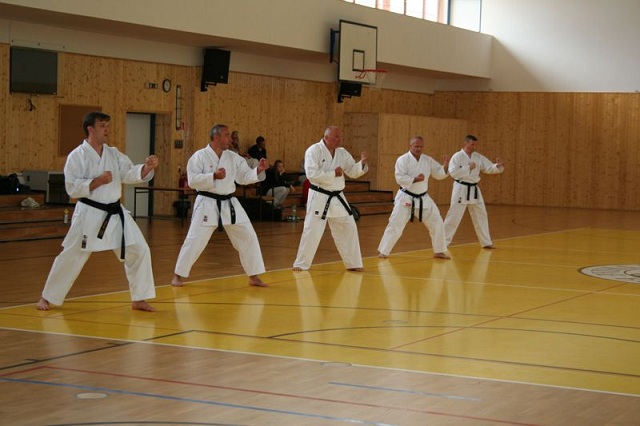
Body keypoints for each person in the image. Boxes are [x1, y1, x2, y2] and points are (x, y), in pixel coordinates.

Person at [36, 112, 157, 312]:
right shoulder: (77, 156)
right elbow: (72, 188)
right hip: (89, 214)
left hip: (115, 213)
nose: (107, 129)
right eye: (102, 125)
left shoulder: (113, 153)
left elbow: (129, 173)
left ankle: (139, 298)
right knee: (72, 256)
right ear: (90, 129)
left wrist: (146, 168)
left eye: (108, 125)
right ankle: (47, 297)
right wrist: (97, 181)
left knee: (139, 250)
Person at [172, 123, 270, 288]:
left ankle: (254, 276)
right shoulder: (199, 156)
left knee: (248, 236)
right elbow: (192, 181)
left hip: (229, 203)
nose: (230, 139)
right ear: (216, 137)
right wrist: (213, 176)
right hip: (207, 203)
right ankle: (178, 275)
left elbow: (244, 177)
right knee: (195, 240)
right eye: (227, 135)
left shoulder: (233, 157)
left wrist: (258, 170)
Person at [292, 126, 368, 271]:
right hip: (319, 196)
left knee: (349, 227)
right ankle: (301, 264)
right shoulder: (314, 151)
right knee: (312, 231)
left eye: (340, 137)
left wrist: (362, 163)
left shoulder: (342, 152)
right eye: (335, 137)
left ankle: (353, 264)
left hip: (337, 196)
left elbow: (352, 171)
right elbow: (311, 174)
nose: (339, 140)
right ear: (326, 137)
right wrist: (333, 173)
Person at [378, 136, 451, 259]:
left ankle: (439, 251)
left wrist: (445, 166)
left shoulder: (427, 160)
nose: (419, 149)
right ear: (410, 146)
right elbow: (399, 178)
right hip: (405, 198)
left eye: (421, 146)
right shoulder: (402, 160)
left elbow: (438, 173)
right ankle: (383, 252)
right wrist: (415, 179)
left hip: (423, 198)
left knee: (437, 222)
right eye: (416, 146)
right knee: (395, 224)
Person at [443, 134, 504, 249]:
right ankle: (443, 243)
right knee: (454, 216)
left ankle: (486, 242)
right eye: (472, 144)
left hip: (474, 189)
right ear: (466, 143)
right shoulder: (457, 156)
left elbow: (488, 168)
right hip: (461, 188)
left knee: (481, 215)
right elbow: (453, 173)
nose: (474, 147)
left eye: (476, 145)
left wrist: (497, 166)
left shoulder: (478, 156)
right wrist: (468, 168)